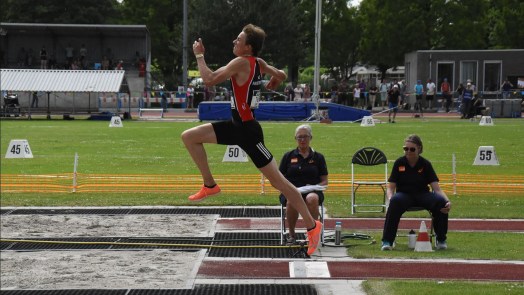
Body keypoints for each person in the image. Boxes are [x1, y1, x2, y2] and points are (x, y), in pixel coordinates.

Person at [181, 24, 322, 255]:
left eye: (238, 40)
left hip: (247, 132)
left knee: (280, 183)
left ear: (248, 47)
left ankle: (312, 226)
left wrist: (199, 54)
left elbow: (208, 79)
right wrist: (274, 81)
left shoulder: (241, 62)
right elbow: (282, 74)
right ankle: (209, 185)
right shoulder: (259, 63)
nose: (234, 43)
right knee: (189, 136)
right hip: (236, 125)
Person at [381, 134, 451, 251]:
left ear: (419, 149)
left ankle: (441, 239)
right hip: (404, 195)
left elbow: (437, 189)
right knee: (395, 202)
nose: (408, 151)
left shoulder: (426, 164)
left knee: (441, 202)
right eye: (405, 149)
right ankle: (387, 240)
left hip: (423, 194)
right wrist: (390, 198)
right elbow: (390, 188)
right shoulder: (399, 163)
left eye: (412, 149)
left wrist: (447, 200)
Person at [279, 124, 328, 244]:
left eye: (305, 136)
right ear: (295, 139)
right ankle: (291, 234)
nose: (302, 140)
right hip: (292, 190)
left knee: (312, 198)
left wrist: (313, 187)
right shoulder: (288, 156)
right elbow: (279, 178)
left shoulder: (318, 157)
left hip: (313, 190)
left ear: (311, 137)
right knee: (292, 199)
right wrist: (289, 189)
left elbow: (325, 181)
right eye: (299, 137)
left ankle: (312, 233)